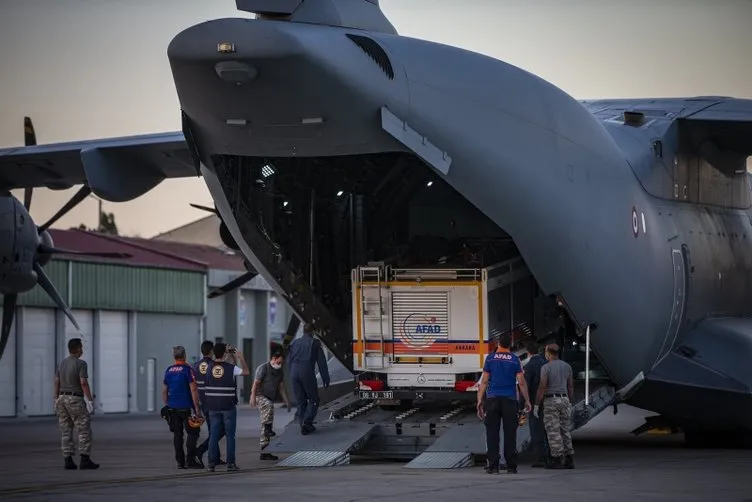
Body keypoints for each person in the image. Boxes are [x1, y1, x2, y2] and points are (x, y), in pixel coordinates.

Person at [477, 334, 532, 474]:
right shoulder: (515, 360)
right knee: (510, 434)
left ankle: (493, 466)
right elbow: (521, 382)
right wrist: (527, 400)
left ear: (498, 343)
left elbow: (484, 382)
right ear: (510, 344)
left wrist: (479, 401)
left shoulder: (490, 358)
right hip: (510, 400)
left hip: (492, 399)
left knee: (492, 433)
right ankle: (511, 466)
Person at [53, 337, 99, 470]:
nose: (82, 350)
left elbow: (56, 382)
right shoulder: (81, 364)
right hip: (75, 399)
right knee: (83, 429)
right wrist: (89, 400)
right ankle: (85, 459)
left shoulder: (61, 363)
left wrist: (55, 398)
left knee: (66, 430)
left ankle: (68, 460)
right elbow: (83, 382)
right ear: (78, 349)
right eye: (81, 348)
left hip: (62, 398)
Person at [205, 343, 249, 472]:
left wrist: (228, 356)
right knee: (230, 435)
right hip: (227, 406)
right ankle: (231, 463)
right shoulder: (231, 368)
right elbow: (246, 372)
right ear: (224, 354)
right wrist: (240, 357)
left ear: (213, 353)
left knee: (213, 435)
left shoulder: (208, 367)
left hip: (212, 406)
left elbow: (221, 367)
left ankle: (211, 464)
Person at [534, 343, 575, 469]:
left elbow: (542, 386)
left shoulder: (546, 367)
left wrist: (536, 403)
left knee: (553, 431)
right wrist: (570, 401)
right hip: (564, 399)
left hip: (551, 400)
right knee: (565, 430)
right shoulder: (567, 366)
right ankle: (569, 458)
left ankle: (556, 459)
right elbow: (570, 386)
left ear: (548, 353)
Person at [162, 345, 203, 469]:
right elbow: (193, 389)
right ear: (184, 355)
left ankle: (180, 461)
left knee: (177, 435)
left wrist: (167, 405)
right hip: (186, 407)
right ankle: (190, 460)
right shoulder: (187, 370)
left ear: (173, 356)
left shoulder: (168, 370)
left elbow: (164, 390)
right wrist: (197, 408)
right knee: (193, 432)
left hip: (172, 407)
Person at [288, 323, 330, 435]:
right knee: (314, 399)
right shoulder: (315, 343)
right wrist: (326, 378)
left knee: (301, 401)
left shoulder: (295, 343)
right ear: (313, 332)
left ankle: (302, 423)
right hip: (306, 371)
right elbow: (322, 363)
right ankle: (307, 423)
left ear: (303, 331)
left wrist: (291, 374)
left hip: (293, 372)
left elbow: (289, 360)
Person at [251, 351, 291, 460]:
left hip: (269, 397)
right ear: (273, 358)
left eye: (282, 363)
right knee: (268, 407)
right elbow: (256, 383)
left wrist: (286, 401)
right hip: (260, 395)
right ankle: (268, 430)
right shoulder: (263, 368)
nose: (280, 364)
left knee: (266, 422)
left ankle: (264, 451)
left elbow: (281, 387)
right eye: (279, 362)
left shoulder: (279, 372)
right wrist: (252, 397)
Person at [193, 341, 226, 467]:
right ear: (212, 351)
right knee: (220, 430)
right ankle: (200, 450)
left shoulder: (195, 365)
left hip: (201, 402)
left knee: (213, 429)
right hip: (213, 401)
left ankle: (215, 457)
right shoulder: (214, 365)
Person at [523, 340, 550, 467]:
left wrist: (522, 403)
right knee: (548, 429)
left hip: (536, 401)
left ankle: (540, 458)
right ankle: (551, 455)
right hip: (549, 400)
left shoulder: (529, 367)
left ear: (528, 352)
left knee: (536, 430)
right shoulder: (547, 363)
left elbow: (526, 386)